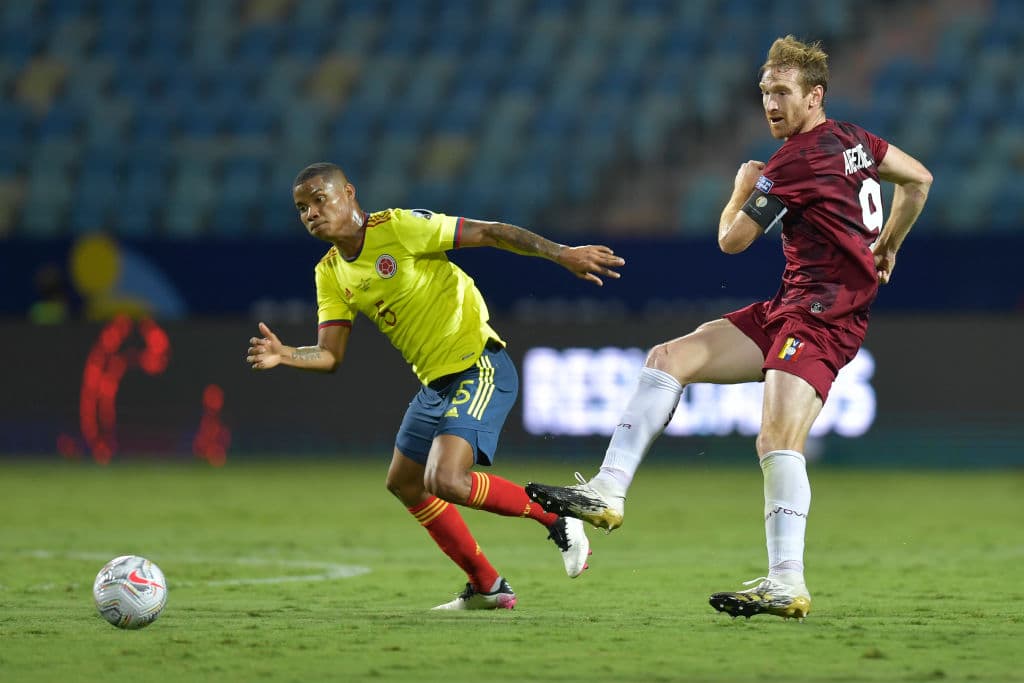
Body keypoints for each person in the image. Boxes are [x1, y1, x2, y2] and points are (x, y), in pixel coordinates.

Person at [526, 35, 932, 620]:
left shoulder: (792, 160)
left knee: (776, 441)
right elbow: (918, 179)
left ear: (814, 95)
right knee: (670, 358)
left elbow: (731, 241)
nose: (770, 103)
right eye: (765, 92)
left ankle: (787, 581)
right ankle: (607, 490)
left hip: (821, 318)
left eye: (783, 92)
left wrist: (744, 186)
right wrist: (888, 245)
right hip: (789, 307)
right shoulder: (856, 141)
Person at [246, 162, 625, 610]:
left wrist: (560, 253)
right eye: (301, 207)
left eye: (319, 199)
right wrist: (287, 354)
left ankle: (556, 516)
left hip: (478, 365)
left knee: (445, 479)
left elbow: (489, 232)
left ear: (349, 192)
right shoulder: (329, 271)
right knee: (405, 483)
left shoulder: (401, 228)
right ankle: (487, 587)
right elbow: (330, 354)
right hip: (434, 385)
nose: (310, 213)